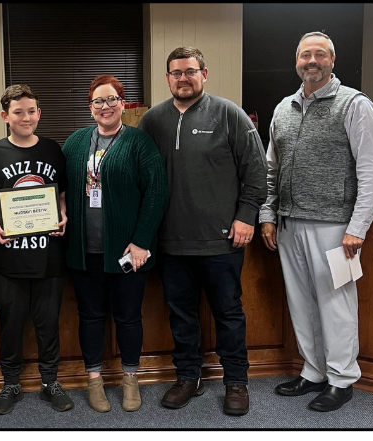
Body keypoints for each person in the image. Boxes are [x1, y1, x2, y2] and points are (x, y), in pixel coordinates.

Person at [136, 46, 268, 416]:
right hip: (172, 242)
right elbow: (140, 176)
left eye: (190, 71)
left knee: (228, 313)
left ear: (203, 74)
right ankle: (187, 378)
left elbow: (257, 173)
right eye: (176, 72)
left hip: (222, 240)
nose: (183, 78)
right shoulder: (152, 121)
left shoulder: (229, 114)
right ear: (167, 78)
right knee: (181, 315)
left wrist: (246, 216)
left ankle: (236, 383)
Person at [258, 31, 373, 413]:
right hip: (289, 223)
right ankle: (312, 371)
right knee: (301, 302)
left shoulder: (355, 105)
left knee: (336, 304)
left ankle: (342, 379)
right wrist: (267, 214)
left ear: (332, 60)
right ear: (296, 61)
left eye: (319, 55)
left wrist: (356, 228)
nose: (311, 61)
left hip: (335, 226)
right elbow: (270, 170)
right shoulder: (283, 108)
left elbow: (372, 170)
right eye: (304, 55)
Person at [63, 75, 167, 414]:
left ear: (123, 103)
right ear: (90, 107)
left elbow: (156, 194)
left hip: (127, 254)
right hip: (84, 251)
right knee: (90, 316)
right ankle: (94, 379)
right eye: (98, 101)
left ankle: (130, 378)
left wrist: (140, 242)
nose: (105, 107)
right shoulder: (76, 143)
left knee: (128, 317)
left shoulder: (139, 142)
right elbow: (60, 186)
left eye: (111, 100)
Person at [0, 84, 71, 415]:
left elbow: (60, 193)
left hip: (48, 255)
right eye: (18, 112)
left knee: (48, 323)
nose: (26, 117)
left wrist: (64, 213)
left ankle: (50, 383)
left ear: (39, 114)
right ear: (5, 116)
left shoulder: (54, 150)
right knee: (10, 323)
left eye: (31, 111)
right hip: (8, 256)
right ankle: (10, 383)